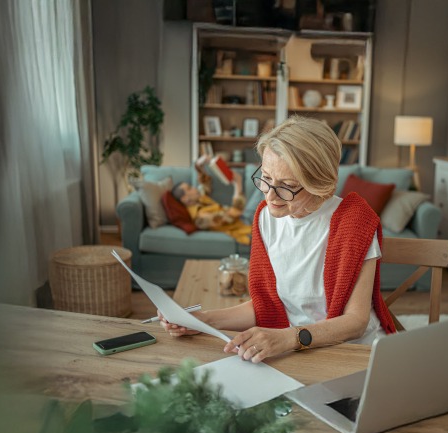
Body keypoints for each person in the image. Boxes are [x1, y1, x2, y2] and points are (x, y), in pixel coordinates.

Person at [162, 116, 396, 362]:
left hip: (353, 353)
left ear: (320, 184)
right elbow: (267, 305)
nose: (271, 196)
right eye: (266, 178)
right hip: (298, 350)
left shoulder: (355, 221)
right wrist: (202, 320)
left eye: (287, 185)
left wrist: (288, 338)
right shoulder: (265, 217)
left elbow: (356, 322)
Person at [170, 177, 252, 244]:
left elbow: (205, 186)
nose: (194, 188)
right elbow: (232, 216)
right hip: (245, 222)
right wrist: (238, 184)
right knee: (260, 185)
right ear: (185, 199)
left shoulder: (200, 200)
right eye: (190, 188)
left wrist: (199, 166)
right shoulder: (201, 217)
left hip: (244, 218)